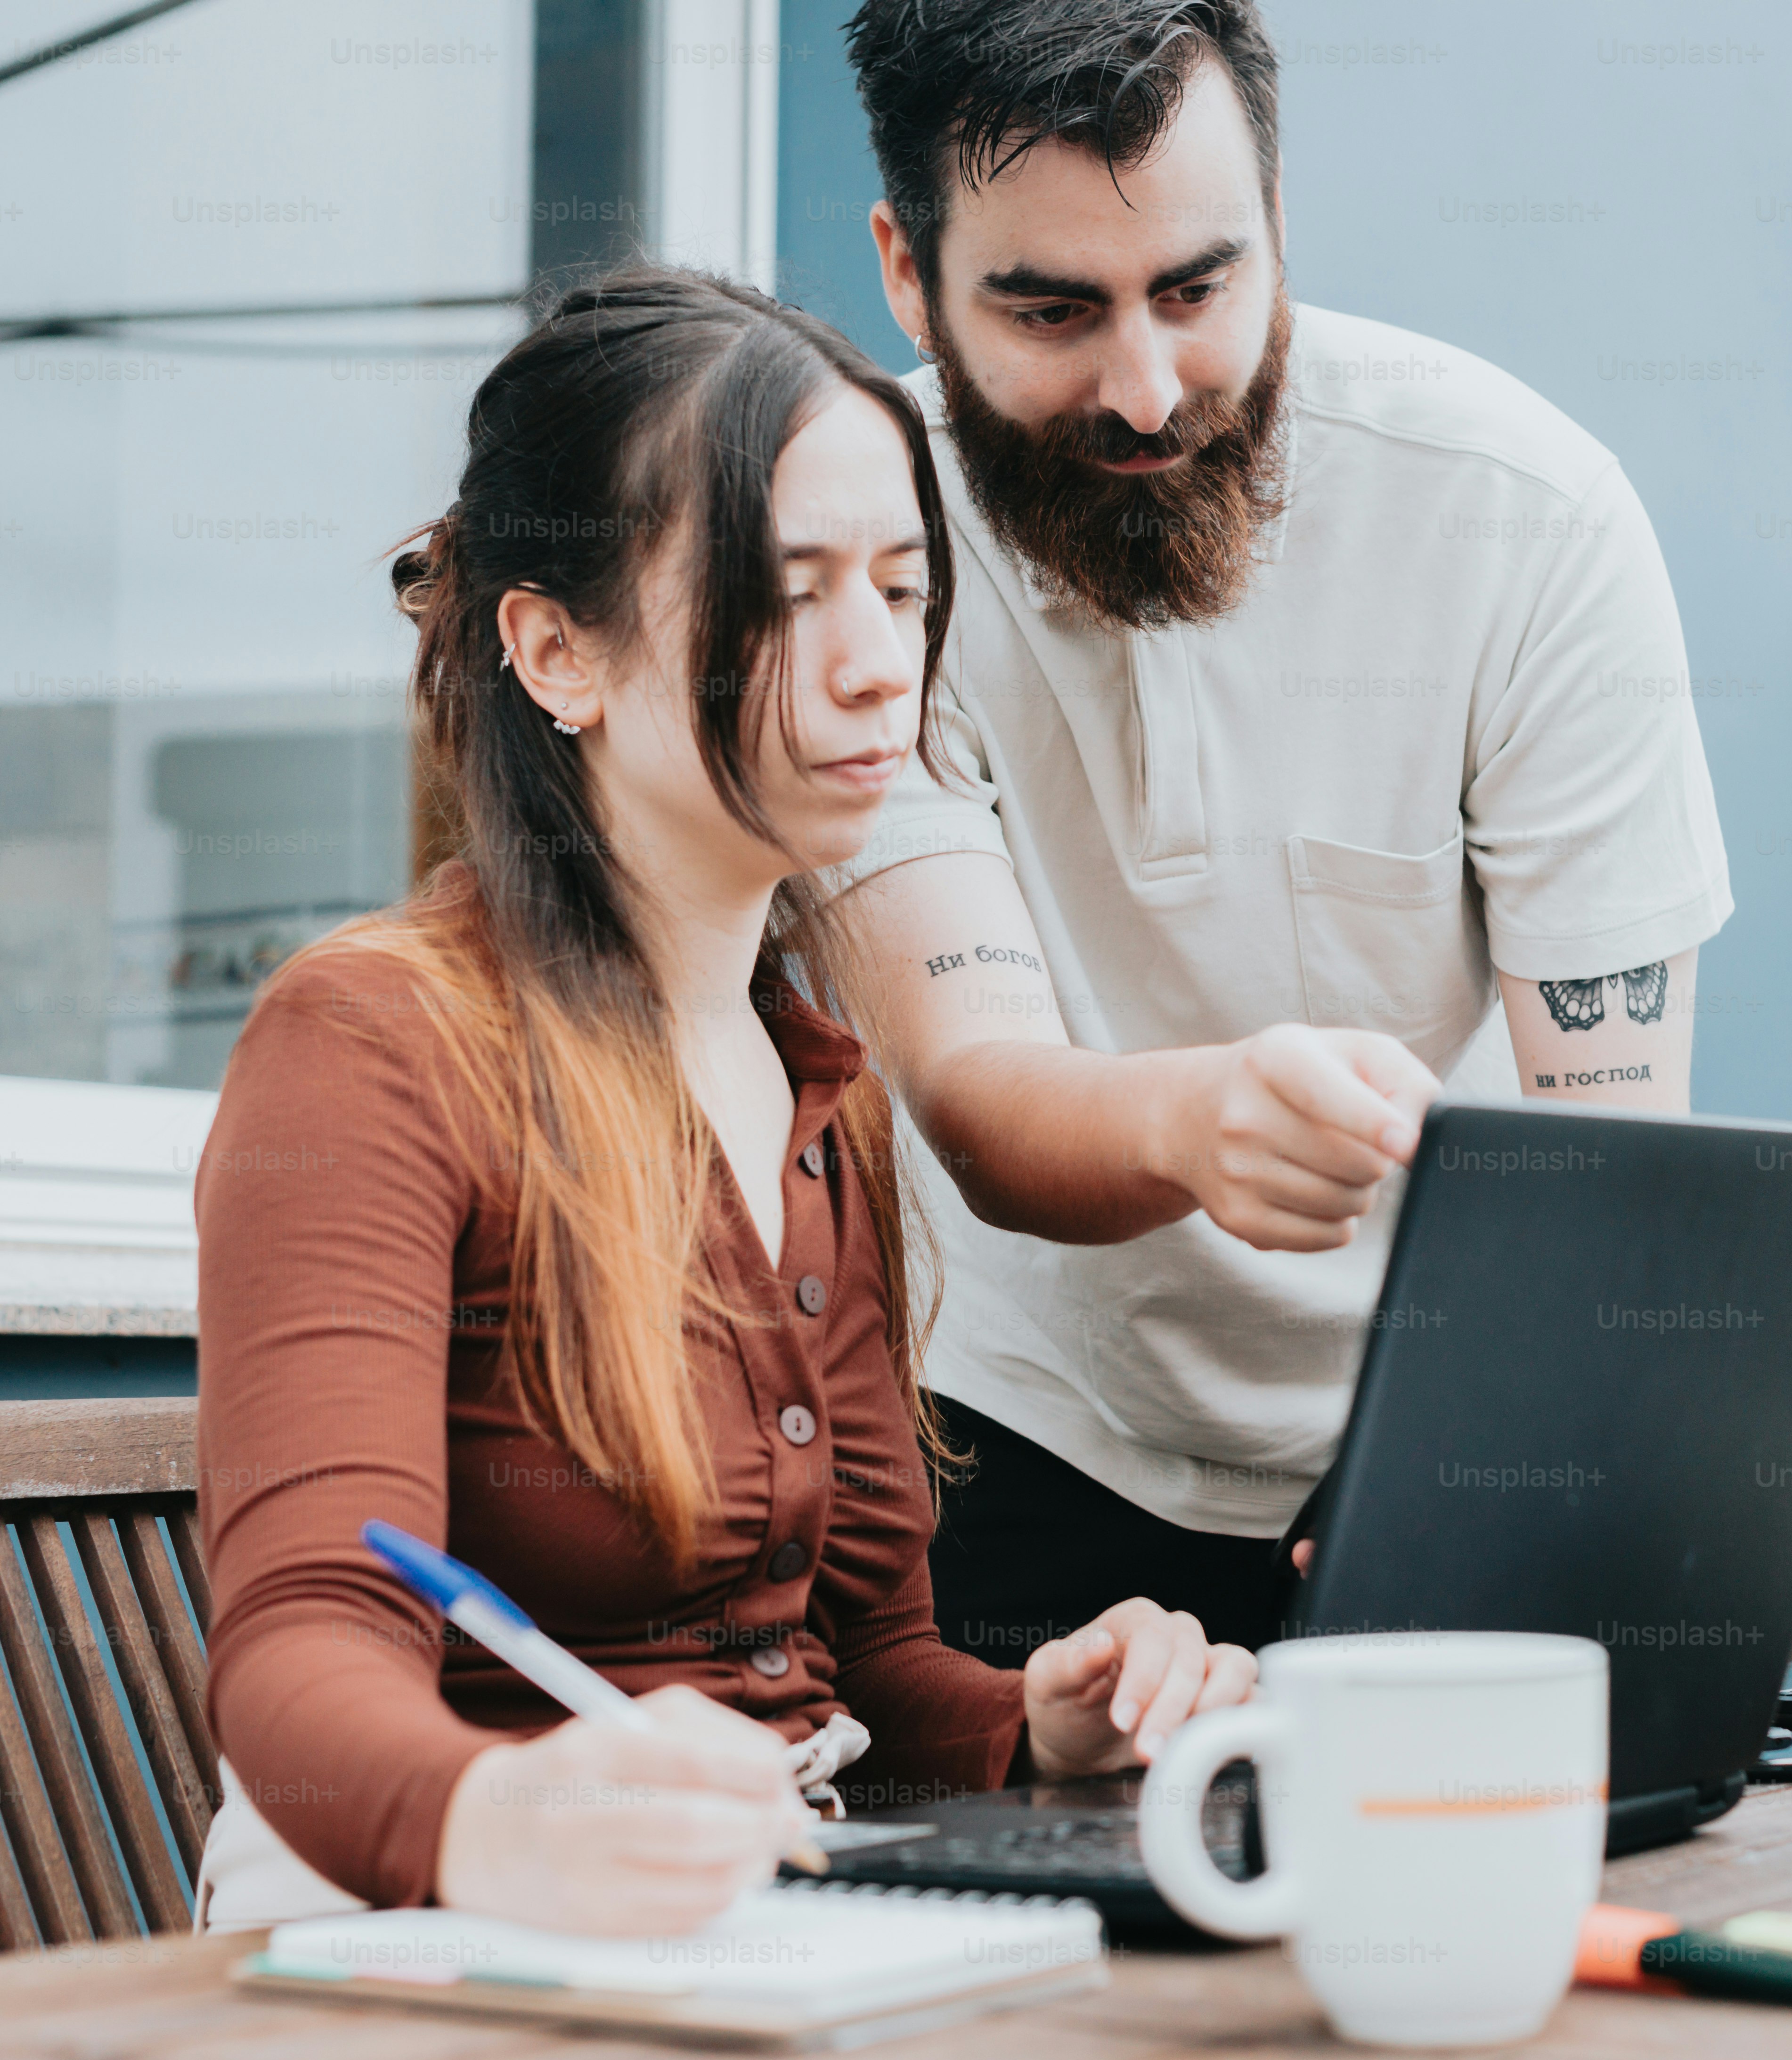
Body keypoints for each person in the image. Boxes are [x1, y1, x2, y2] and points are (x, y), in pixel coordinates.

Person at [191, 266, 1254, 1938]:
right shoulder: (377, 1043)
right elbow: (305, 1645)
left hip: (764, 1923)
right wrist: (501, 1808)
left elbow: (874, 1676)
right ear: (556, 650)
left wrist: (1041, 1721)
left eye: (904, 594)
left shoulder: (821, 1083)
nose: (873, 669)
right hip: (433, 1937)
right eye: (789, 592)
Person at [820, 0, 1769, 1663]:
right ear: (909, 273)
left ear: (1276, 215)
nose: (1142, 390)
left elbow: (1611, 1154)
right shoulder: (858, 557)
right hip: (1022, 1440)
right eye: (1051, 310)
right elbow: (974, 1099)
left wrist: (1479, 1463)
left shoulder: (1524, 518)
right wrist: (1193, 1121)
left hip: (1448, 1412)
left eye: (1199, 290)